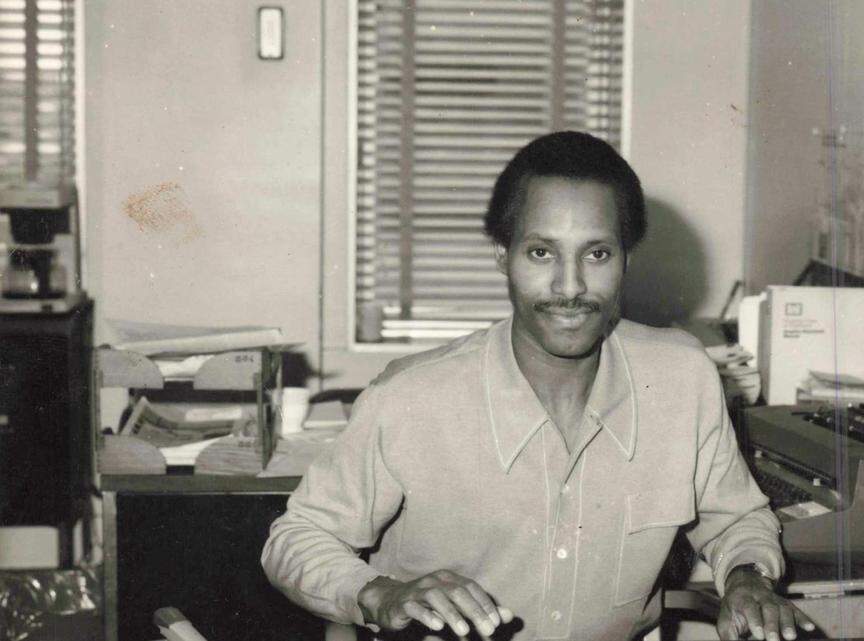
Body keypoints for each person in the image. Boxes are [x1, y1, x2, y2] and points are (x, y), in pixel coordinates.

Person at [262, 131, 814, 641]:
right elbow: (296, 537)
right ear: (503, 255)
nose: (569, 287)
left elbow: (735, 516)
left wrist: (746, 578)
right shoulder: (410, 399)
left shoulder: (682, 378)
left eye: (597, 254)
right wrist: (383, 594)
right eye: (541, 253)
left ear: (625, 260)